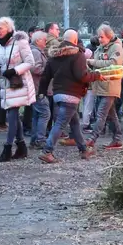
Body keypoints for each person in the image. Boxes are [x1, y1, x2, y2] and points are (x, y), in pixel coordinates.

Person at [36, 29, 102, 163]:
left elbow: (45, 76)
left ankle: (84, 149)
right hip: (71, 95)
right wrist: (97, 76)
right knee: (60, 123)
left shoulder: (54, 54)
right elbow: (82, 76)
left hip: (58, 94)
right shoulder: (77, 55)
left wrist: (41, 92)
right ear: (75, 40)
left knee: (75, 123)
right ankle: (47, 151)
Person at [0, 24, 35, 162]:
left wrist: (15, 70)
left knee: (12, 113)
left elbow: (30, 62)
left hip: (19, 82)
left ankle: (8, 148)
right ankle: (21, 146)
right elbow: (2, 62)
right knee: (12, 113)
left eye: (0, 28)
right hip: (5, 82)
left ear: (8, 29)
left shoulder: (20, 42)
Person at [86, 24, 123, 150]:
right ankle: (117, 139)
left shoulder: (116, 48)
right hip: (100, 85)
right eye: (99, 37)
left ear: (109, 36)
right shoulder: (100, 48)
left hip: (110, 86)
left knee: (101, 114)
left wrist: (93, 62)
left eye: (102, 37)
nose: (100, 39)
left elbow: (114, 63)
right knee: (111, 115)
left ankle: (92, 138)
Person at [27, 30, 52, 146]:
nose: (46, 41)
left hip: (36, 88)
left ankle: (35, 139)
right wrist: (48, 71)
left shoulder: (35, 51)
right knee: (45, 113)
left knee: (37, 114)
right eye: (44, 40)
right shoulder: (36, 52)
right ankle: (40, 140)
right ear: (38, 41)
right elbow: (35, 68)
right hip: (38, 88)